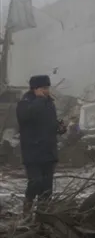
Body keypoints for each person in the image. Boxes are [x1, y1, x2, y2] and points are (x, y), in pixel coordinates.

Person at [16, 75, 66, 216]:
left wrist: (59, 128)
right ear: (35, 89)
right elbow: (26, 117)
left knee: (47, 188)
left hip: (48, 151)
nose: (47, 91)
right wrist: (38, 100)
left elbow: (50, 123)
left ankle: (42, 216)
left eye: (47, 88)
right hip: (32, 151)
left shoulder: (49, 103)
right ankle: (27, 207)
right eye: (44, 88)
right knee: (35, 181)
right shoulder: (24, 103)